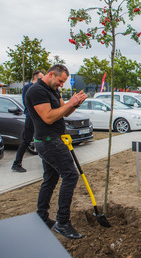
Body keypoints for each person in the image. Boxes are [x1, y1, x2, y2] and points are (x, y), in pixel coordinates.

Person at [25, 64, 87, 239]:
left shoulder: (53, 90)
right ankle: (63, 223)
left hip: (55, 139)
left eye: (63, 82)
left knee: (51, 178)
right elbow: (49, 117)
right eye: (60, 81)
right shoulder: (37, 91)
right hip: (48, 141)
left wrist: (75, 104)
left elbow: (64, 112)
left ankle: (41, 217)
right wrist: (70, 104)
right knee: (71, 175)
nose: (61, 85)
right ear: (51, 74)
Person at [11, 70, 45, 172]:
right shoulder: (28, 87)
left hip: (39, 117)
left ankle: (47, 162)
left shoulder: (41, 87)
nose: (42, 80)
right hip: (31, 117)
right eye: (41, 78)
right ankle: (16, 163)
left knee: (43, 139)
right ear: (35, 78)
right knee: (26, 139)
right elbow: (27, 103)